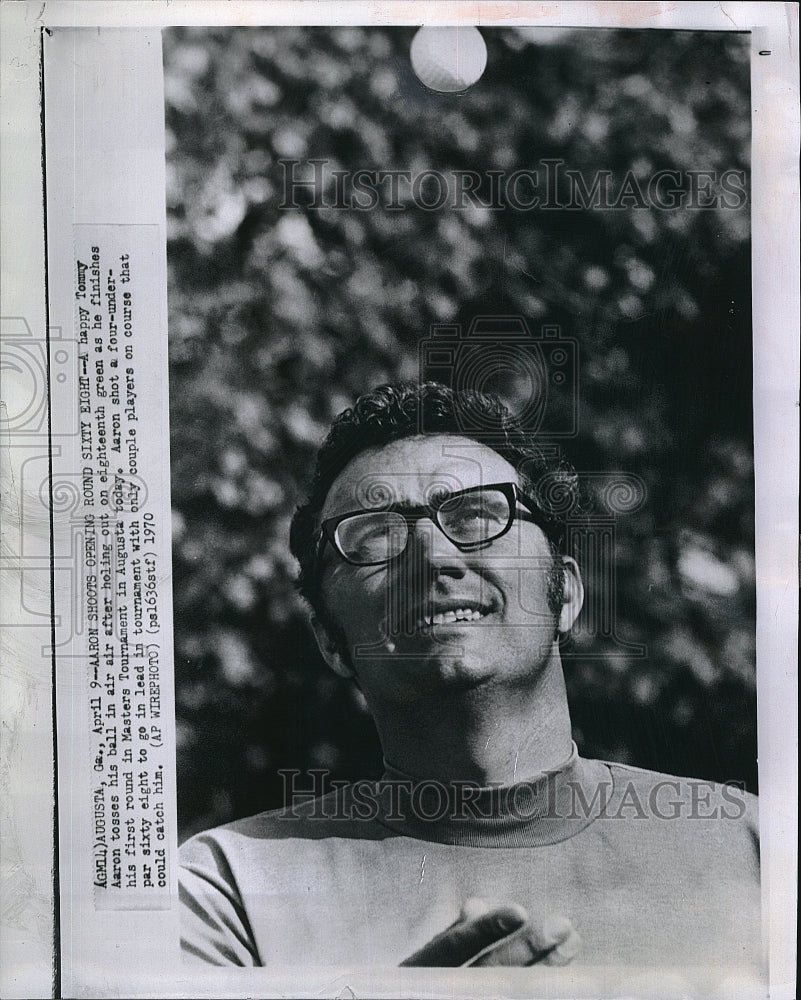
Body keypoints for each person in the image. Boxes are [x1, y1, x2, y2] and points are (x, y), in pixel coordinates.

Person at [179, 382, 761, 972]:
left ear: (566, 595)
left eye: (479, 514)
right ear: (331, 641)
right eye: (375, 536)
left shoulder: (756, 851)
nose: (433, 558)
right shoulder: (226, 891)